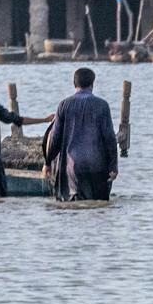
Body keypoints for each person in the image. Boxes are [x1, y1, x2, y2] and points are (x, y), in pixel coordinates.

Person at [44, 66, 119, 202]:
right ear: (92, 84)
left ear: (74, 83)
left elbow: (55, 138)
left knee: (74, 204)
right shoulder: (102, 105)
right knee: (98, 204)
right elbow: (110, 138)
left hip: (73, 167)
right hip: (98, 166)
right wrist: (113, 166)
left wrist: (47, 163)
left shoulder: (64, 105)